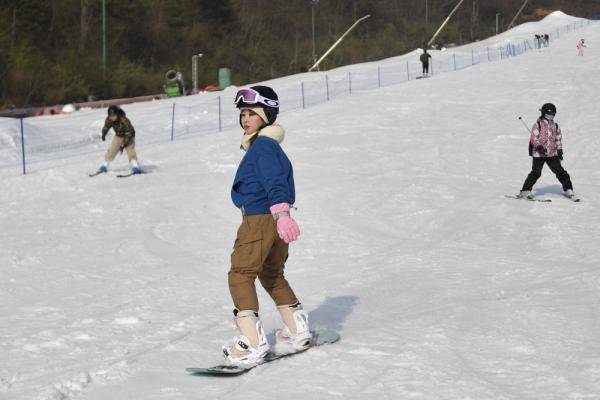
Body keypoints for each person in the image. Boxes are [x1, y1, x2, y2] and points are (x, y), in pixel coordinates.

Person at [222, 85, 309, 365]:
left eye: (252, 113)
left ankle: (252, 343)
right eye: (243, 113)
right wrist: (281, 215)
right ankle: (297, 330)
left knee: (240, 275)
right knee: (271, 274)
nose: (245, 118)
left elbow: (274, 181)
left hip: (260, 219)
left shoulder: (263, 147)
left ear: (266, 115)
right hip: (272, 219)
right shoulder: (266, 145)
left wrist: (281, 212)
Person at [518, 103, 575, 200]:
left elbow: (558, 138)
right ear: (543, 113)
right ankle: (525, 191)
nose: (551, 116)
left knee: (560, 172)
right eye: (549, 114)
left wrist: (559, 150)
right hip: (539, 154)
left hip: (551, 154)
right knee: (536, 172)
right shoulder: (538, 125)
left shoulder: (555, 126)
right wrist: (539, 146)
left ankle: (568, 189)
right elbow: (533, 138)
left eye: (553, 114)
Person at [96, 105, 141, 174]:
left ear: (117, 114)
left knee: (130, 150)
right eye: (110, 116)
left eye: (114, 115)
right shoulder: (109, 119)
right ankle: (104, 166)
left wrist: (123, 145)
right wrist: (104, 134)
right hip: (118, 135)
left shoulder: (124, 120)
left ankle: (135, 166)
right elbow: (106, 126)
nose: (112, 117)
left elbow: (129, 133)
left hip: (129, 135)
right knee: (112, 149)